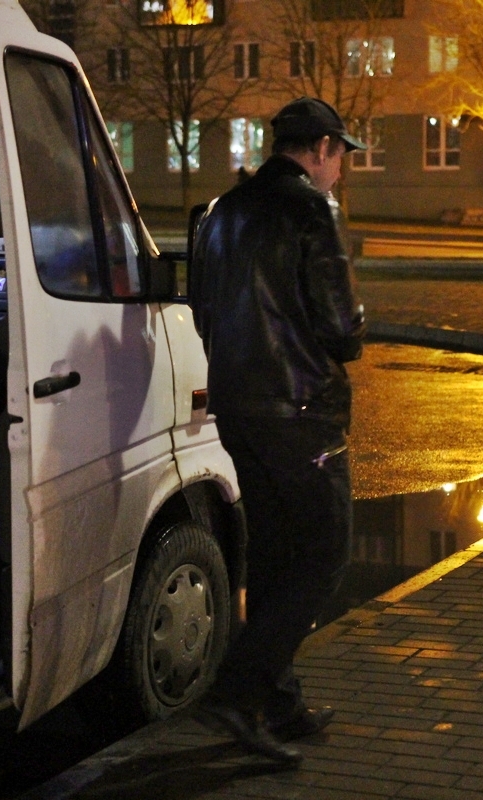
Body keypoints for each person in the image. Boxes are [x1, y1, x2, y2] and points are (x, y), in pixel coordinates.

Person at [188, 97, 367, 764]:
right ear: (320, 148)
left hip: (238, 407)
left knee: (272, 553)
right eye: (340, 155)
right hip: (301, 411)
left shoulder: (221, 212)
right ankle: (237, 691)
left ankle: (278, 702)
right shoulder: (310, 209)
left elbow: (204, 311)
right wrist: (356, 326)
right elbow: (341, 329)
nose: (341, 170)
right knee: (324, 557)